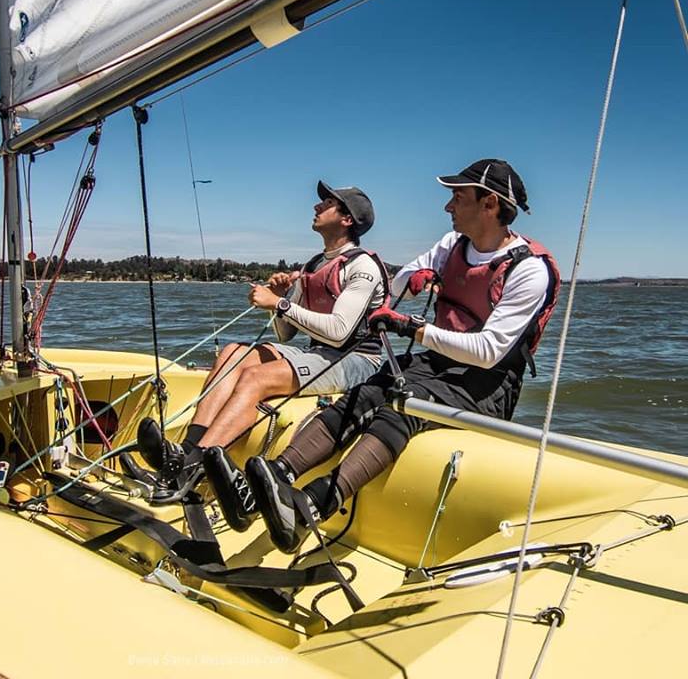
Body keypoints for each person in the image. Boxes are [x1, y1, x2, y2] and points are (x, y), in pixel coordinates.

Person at [231, 159, 560, 553]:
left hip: (487, 382)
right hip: (438, 361)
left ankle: (313, 505)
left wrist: (413, 329)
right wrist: (416, 278)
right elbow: (399, 282)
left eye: (458, 197)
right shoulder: (452, 245)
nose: (448, 206)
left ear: (489, 204)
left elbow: (489, 352)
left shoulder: (528, 270)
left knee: (405, 406)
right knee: (367, 391)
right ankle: (276, 475)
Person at [129, 181, 389, 509]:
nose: (317, 206)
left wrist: (279, 304)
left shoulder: (362, 266)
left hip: (356, 360)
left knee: (256, 378)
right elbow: (285, 334)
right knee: (234, 354)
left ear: (347, 219)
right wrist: (280, 301)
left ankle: (193, 469)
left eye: (327, 204)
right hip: (318, 352)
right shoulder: (313, 266)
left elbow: (339, 332)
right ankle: (186, 451)